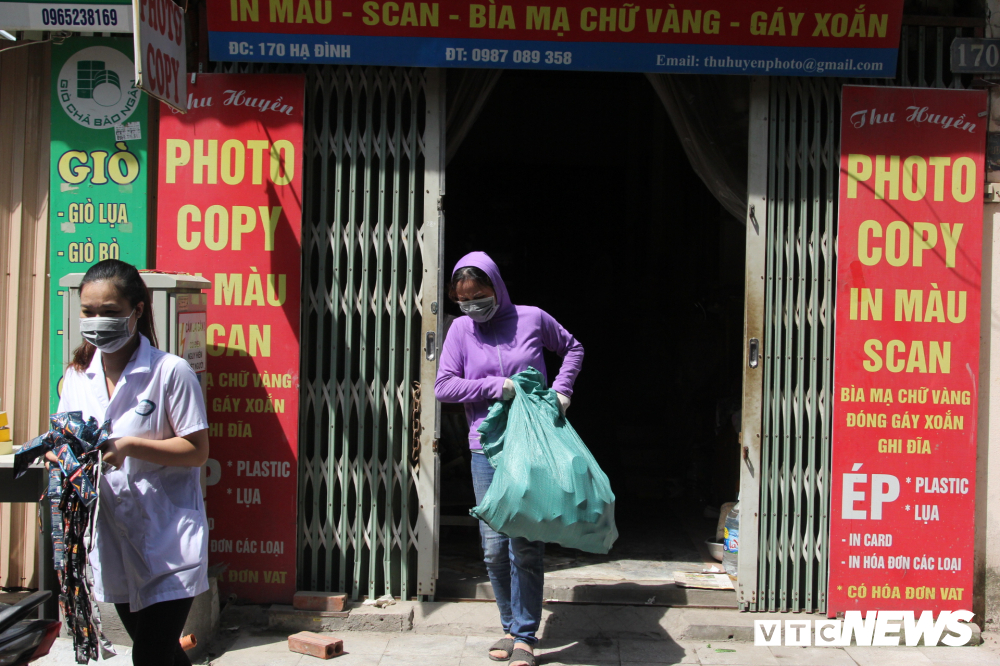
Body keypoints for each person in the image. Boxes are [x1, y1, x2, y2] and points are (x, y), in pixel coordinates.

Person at [56, 259, 210, 666]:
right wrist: (62, 456)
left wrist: (129, 446)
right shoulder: (76, 376)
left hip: (167, 538)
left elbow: (197, 450)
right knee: (158, 651)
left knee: (150, 654)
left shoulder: (170, 372)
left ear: (136, 310)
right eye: (89, 312)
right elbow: (65, 439)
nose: (96, 321)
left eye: (109, 312)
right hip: (112, 538)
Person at [435, 252, 584, 666]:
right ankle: (507, 625)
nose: (472, 306)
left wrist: (562, 391)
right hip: (485, 449)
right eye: (463, 300)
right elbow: (444, 386)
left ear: (496, 289)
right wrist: (495, 387)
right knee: (493, 548)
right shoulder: (461, 329)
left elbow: (572, 348)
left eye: (479, 296)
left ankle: (524, 637)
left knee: (526, 544)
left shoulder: (532, 319)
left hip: (529, 445)